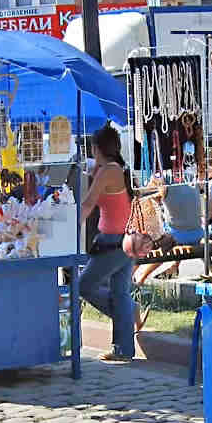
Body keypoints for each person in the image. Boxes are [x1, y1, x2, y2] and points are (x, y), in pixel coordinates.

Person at [79, 126, 137, 363]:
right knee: (120, 292)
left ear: (95, 148)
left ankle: (128, 315)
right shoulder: (113, 168)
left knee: (84, 286)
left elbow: (88, 203)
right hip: (126, 236)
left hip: (113, 239)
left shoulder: (108, 171)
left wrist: (73, 226)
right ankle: (123, 349)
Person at [134, 173, 204, 287]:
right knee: (177, 225)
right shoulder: (191, 176)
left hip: (177, 236)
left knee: (152, 241)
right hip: (198, 232)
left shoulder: (163, 178)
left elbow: (150, 196)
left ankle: (139, 278)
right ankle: (174, 267)